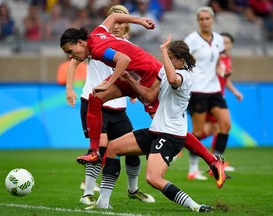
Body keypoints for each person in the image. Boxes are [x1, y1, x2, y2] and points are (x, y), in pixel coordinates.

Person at [85, 35, 224, 211]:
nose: (165, 61)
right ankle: (102, 203)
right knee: (113, 149)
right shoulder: (165, 72)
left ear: (181, 60)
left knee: (153, 178)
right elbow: (149, 96)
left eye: (171, 58)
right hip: (156, 131)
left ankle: (196, 206)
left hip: (171, 135)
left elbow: (174, 80)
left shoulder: (185, 77)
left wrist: (164, 52)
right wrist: (130, 81)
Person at [65, 5, 155, 205]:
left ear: (127, 27)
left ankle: (133, 190)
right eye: (115, 21)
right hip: (94, 101)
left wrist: (134, 90)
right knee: (101, 149)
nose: (117, 25)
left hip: (118, 106)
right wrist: (69, 88)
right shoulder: (96, 41)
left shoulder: (125, 45)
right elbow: (73, 61)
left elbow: (133, 70)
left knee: (132, 151)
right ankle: (87, 193)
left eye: (123, 22)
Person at [60, 10, 162, 165]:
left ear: (80, 43)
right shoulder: (97, 33)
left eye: (70, 51)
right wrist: (140, 21)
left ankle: (209, 159)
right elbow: (113, 17)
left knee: (163, 124)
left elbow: (124, 60)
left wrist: (108, 83)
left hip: (149, 76)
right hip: (133, 75)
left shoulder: (98, 50)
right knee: (95, 97)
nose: (70, 56)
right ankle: (94, 151)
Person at [184, 6, 231, 180]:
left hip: (214, 90)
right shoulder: (192, 40)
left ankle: (216, 164)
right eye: (201, 19)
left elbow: (218, 61)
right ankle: (193, 169)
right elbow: (182, 60)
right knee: (197, 130)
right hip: (198, 90)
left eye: (207, 18)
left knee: (225, 125)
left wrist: (221, 70)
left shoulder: (218, 39)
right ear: (198, 21)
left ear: (212, 19)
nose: (204, 21)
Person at [202, 32, 243, 173]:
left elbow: (226, 79)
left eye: (228, 42)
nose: (225, 45)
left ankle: (215, 164)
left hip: (219, 97)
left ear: (231, 45)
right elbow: (216, 73)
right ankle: (180, 143)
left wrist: (235, 92)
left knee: (218, 128)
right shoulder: (214, 57)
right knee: (215, 129)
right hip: (211, 97)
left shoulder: (227, 58)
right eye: (223, 42)